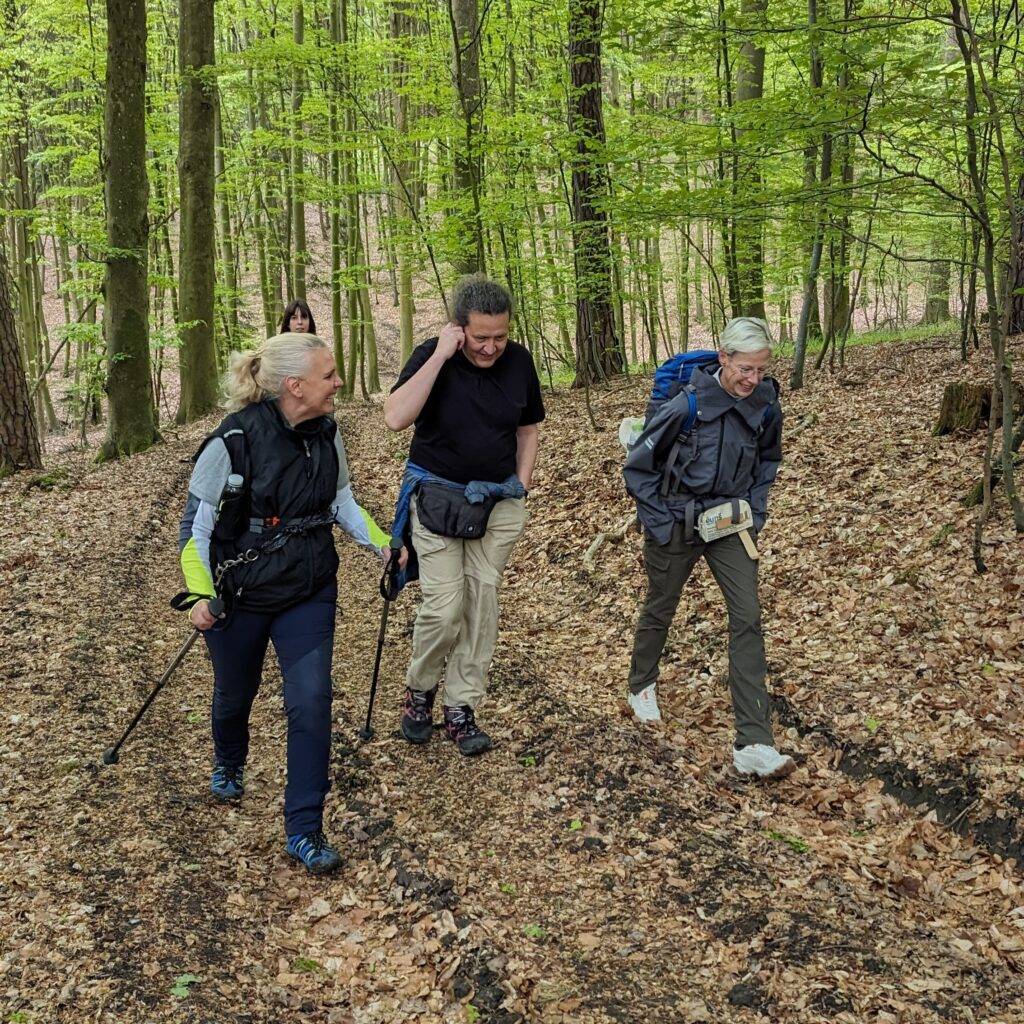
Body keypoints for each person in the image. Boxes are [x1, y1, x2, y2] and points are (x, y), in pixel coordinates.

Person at [178, 331, 398, 874]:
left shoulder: (328, 434)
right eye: (329, 374)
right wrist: (202, 595)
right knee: (235, 692)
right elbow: (195, 532)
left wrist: (385, 546)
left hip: (308, 588)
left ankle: (304, 829)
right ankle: (229, 761)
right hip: (242, 595)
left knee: (311, 701)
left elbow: (342, 501)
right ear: (294, 386)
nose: (339, 382)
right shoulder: (231, 441)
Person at [623, 317, 794, 779]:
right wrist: (660, 525)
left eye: (761, 370)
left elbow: (768, 460)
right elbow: (638, 468)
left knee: (747, 616)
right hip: (675, 520)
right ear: (723, 358)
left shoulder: (765, 405)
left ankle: (754, 742)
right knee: (662, 604)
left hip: (730, 522)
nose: (752, 379)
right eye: (744, 369)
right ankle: (641, 684)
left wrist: (754, 513)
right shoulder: (687, 405)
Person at [383, 275, 544, 755]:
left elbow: (528, 429)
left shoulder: (519, 362)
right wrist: (440, 356)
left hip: (497, 503)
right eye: (480, 337)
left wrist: (522, 483)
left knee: (481, 606)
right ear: (459, 328)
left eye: (501, 336)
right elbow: (395, 417)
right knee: (445, 607)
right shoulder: (434, 355)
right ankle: (420, 690)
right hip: (436, 499)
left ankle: (460, 705)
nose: (492, 347)